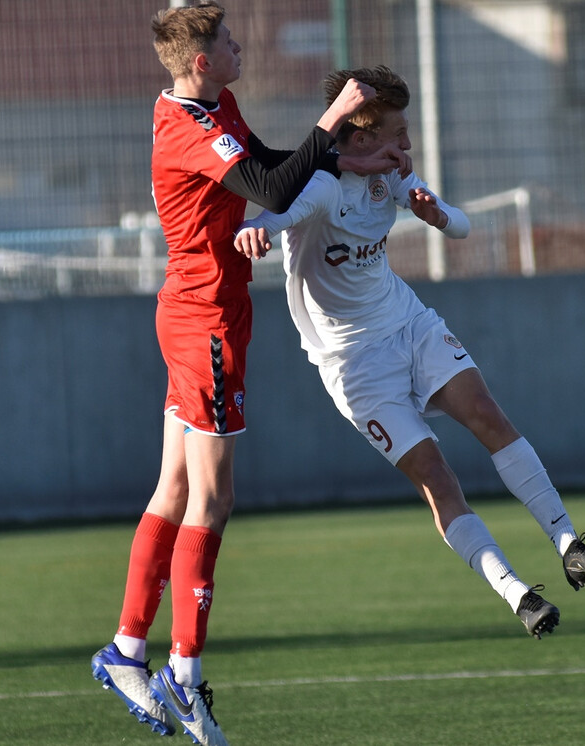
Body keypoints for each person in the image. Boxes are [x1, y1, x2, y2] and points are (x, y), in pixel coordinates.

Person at [90, 8, 409, 745]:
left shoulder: (208, 104)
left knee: (175, 488)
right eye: (227, 43)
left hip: (201, 310)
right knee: (214, 496)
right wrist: (334, 119)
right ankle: (186, 672)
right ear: (201, 61)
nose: (240, 47)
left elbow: (268, 162)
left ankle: (127, 650)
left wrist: (349, 162)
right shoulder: (190, 127)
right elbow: (267, 187)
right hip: (204, 319)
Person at [234, 65, 585, 641]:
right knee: (436, 476)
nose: (409, 144)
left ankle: (569, 544)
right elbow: (277, 214)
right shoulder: (318, 187)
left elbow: (460, 225)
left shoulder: (387, 174)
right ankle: (517, 594)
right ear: (361, 138)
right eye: (399, 132)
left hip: (409, 324)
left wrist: (438, 216)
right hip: (354, 367)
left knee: (489, 417)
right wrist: (256, 230)